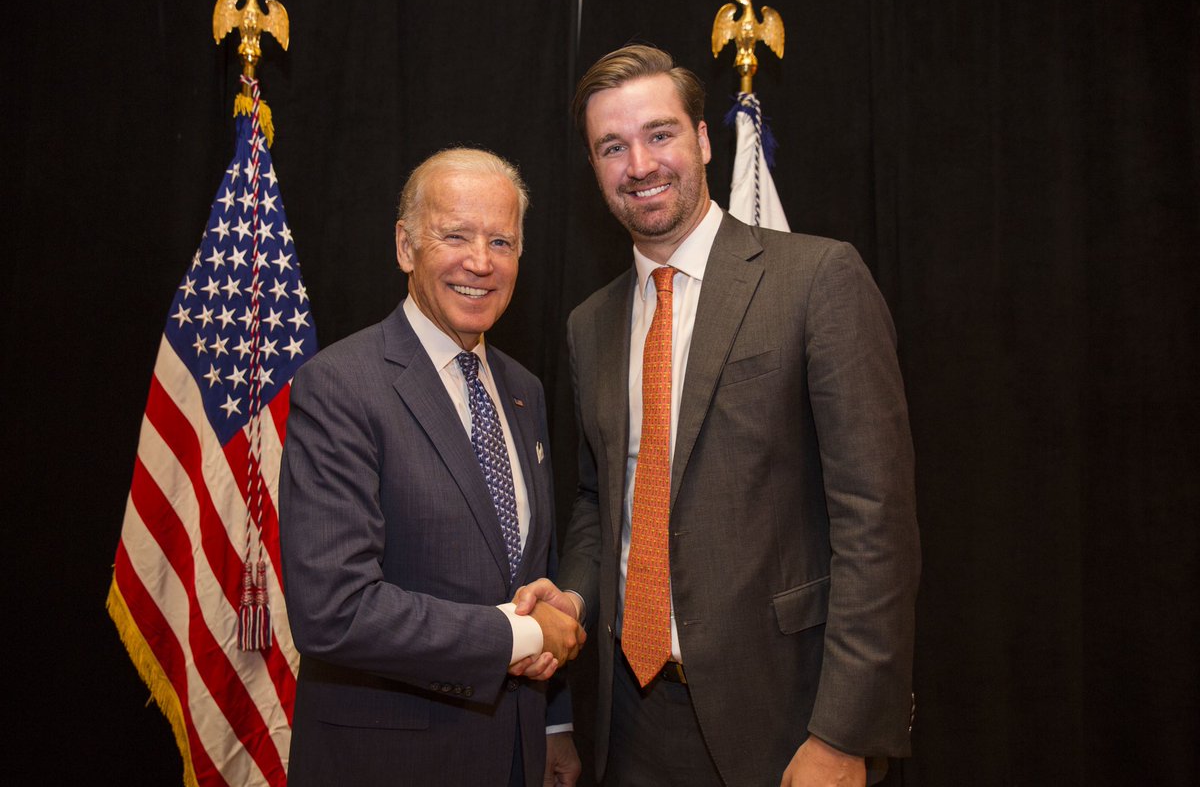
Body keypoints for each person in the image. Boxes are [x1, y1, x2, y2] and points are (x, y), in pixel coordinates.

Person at [516, 45, 920, 786]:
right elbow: (597, 498)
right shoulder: (590, 323)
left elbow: (877, 523)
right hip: (628, 719)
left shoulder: (817, 279)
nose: (639, 164)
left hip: (785, 718)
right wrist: (573, 594)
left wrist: (842, 733)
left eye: (660, 134)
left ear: (703, 141)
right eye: (613, 146)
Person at [280, 147, 584, 787]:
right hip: (391, 763)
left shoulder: (524, 388)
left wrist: (554, 724)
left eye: (502, 241)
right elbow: (334, 611)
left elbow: (532, 567)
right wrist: (523, 636)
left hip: (516, 756)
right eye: (456, 235)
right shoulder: (340, 385)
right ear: (404, 246)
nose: (481, 261)